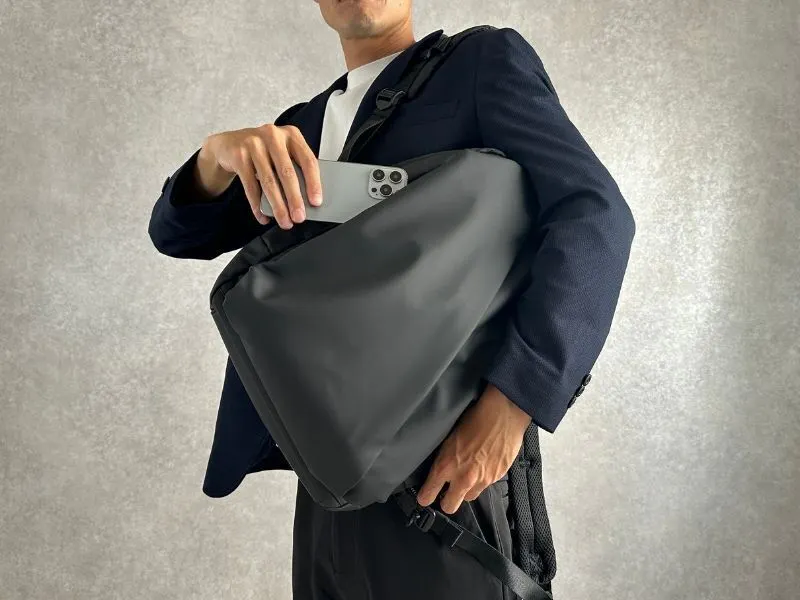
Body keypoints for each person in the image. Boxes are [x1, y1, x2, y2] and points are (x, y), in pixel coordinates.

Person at [148, 0, 636, 598]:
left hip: (446, 473)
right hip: (328, 478)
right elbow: (177, 234)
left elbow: (596, 216)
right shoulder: (300, 129)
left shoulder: (479, 63)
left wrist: (513, 407)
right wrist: (215, 157)